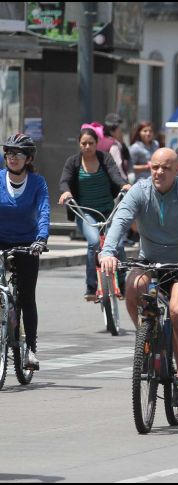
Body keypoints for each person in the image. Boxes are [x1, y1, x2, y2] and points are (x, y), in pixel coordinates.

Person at [100, 148, 178, 407]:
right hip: (149, 259)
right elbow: (121, 219)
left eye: (166, 168)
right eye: (155, 167)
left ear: (177, 170)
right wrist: (107, 251)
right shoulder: (140, 190)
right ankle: (146, 342)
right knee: (132, 289)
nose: (159, 172)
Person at [58, 127, 131, 300]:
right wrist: (66, 192)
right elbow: (64, 181)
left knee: (118, 245)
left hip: (108, 211)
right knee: (94, 244)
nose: (87, 146)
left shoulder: (105, 158)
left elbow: (115, 175)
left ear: (97, 144)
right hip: (85, 212)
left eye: (91, 143)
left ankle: (122, 282)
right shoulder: (73, 162)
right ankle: (91, 288)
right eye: (84, 143)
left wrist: (124, 185)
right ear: (79, 144)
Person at [0, 134, 49, 370]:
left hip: (28, 244)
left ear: (28, 158)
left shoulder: (37, 183)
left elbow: (43, 211)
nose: (12, 158)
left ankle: (30, 349)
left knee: (27, 297)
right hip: (1, 240)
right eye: (9, 153)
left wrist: (41, 239)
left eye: (18, 154)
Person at [99, 113, 132, 181]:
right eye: (119, 128)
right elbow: (118, 166)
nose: (120, 131)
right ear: (112, 131)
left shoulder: (100, 142)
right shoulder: (114, 145)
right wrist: (125, 181)